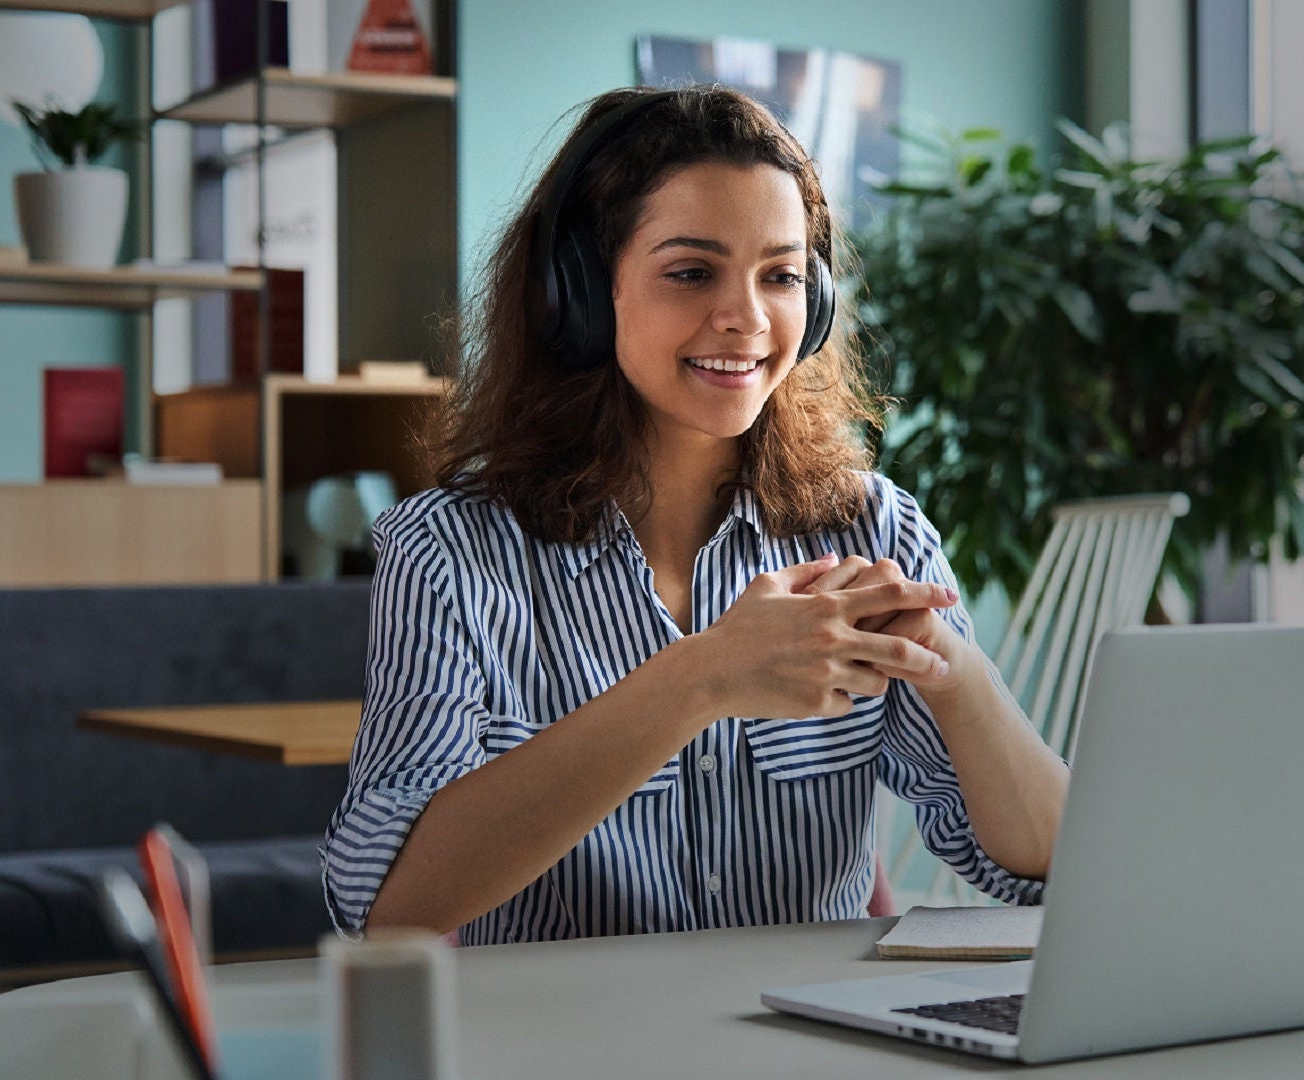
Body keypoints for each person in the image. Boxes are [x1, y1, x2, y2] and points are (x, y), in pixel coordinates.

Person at [322, 85, 1069, 944]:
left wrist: (955, 669)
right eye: (691, 272)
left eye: (782, 276)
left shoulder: (874, 528)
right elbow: (384, 905)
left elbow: (1051, 870)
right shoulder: (451, 552)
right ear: (580, 294)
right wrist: (704, 676)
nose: (747, 318)